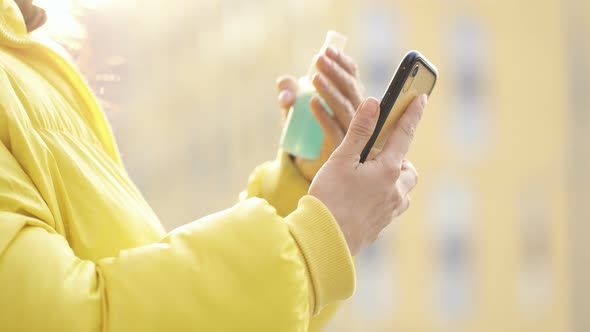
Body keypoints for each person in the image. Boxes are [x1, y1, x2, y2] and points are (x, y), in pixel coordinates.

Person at [0, 1, 426, 331]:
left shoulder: (25, 54)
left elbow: (155, 298)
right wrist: (311, 244)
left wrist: (304, 190)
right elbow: (76, 319)